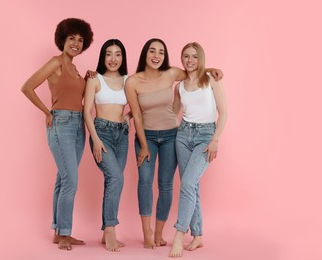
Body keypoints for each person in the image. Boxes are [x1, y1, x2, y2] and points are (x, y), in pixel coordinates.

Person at [125, 38, 222, 249]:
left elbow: (193, 72)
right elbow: (140, 116)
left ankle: (163, 233)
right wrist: (142, 142)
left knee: (167, 185)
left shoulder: (172, 74)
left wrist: (211, 69)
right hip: (150, 136)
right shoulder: (132, 81)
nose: (156, 55)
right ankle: (148, 232)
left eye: (161, 52)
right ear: (145, 54)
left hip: (172, 135)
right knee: (145, 181)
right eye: (152, 51)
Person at [21, 18, 93, 251]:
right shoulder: (56, 62)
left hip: (78, 125)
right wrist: (46, 111)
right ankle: (64, 233)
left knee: (63, 180)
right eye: (71, 38)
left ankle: (58, 230)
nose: (76, 43)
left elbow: (78, 95)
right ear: (62, 39)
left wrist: (88, 79)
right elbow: (27, 87)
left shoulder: (74, 68)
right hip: (61, 123)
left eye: (80, 40)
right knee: (70, 181)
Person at [169, 42, 227, 258]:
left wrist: (215, 140)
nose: (190, 60)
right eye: (186, 56)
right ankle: (198, 235)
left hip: (205, 136)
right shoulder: (180, 86)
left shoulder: (211, 79)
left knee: (187, 183)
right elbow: (173, 114)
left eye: (194, 56)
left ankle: (179, 235)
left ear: (201, 58)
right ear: (181, 58)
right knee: (191, 187)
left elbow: (224, 112)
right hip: (183, 136)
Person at [83, 39, 130, 252]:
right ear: (103, 57)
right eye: (109, 54)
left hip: (122, 134)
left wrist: (128, 116)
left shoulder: (129, 80)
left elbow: (141, 106)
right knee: (116, 177)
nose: (113, 59)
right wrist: (95, 139)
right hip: (101, 132)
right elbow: (86, 112)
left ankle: (105, 232)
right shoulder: (95, 79)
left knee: (114, 181)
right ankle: (110, 228)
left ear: (123, 57)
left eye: (118, 54)